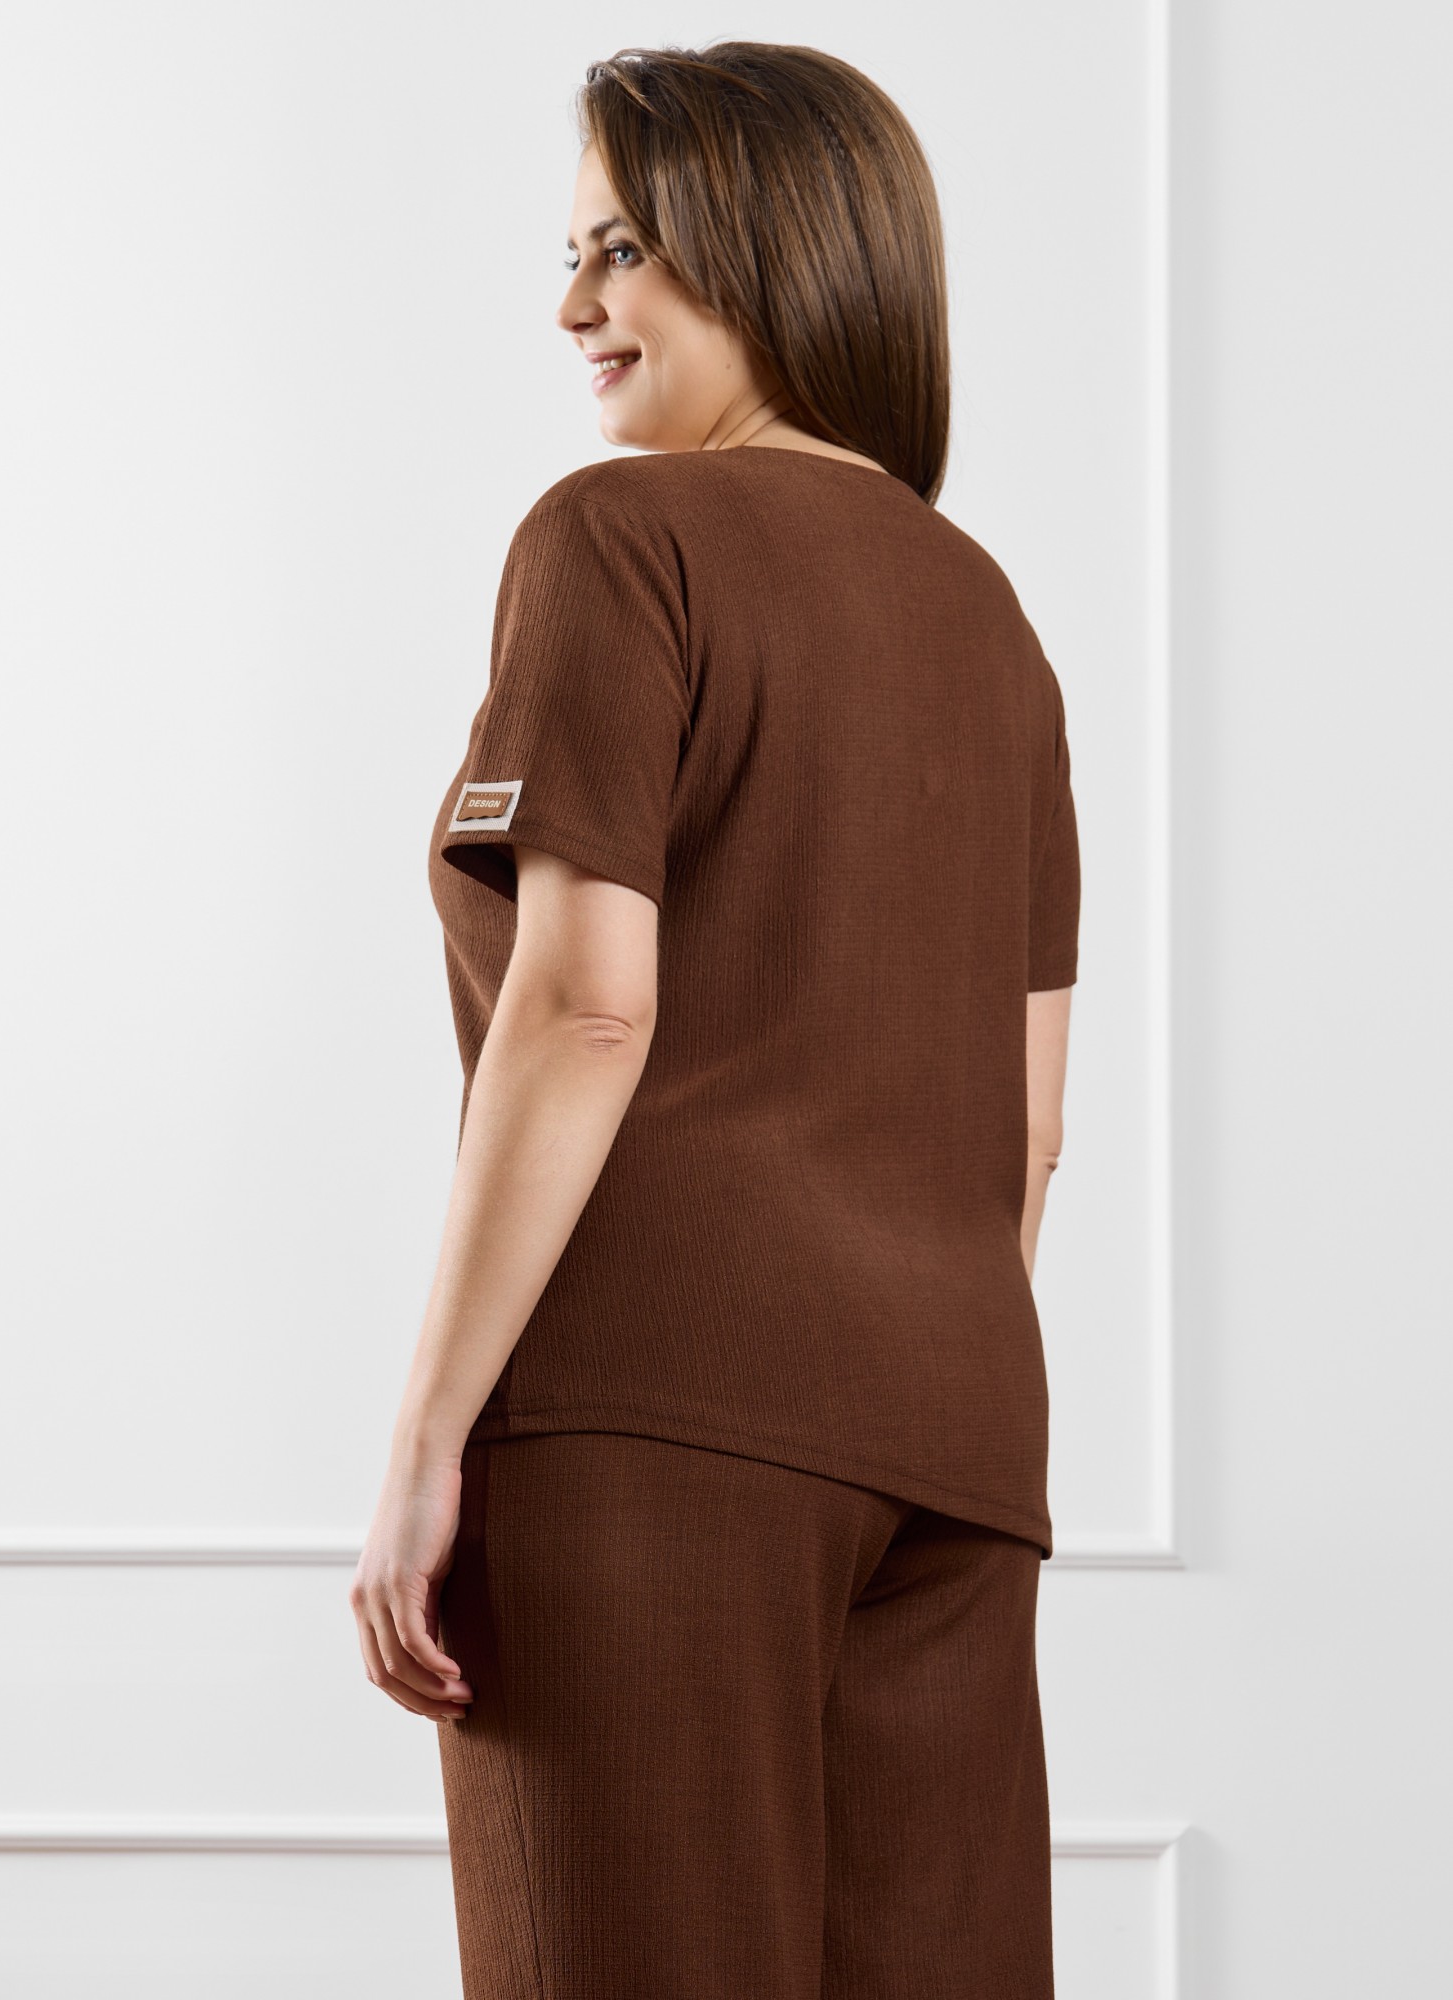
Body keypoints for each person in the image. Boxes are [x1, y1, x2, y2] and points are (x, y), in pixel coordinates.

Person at [349, 39, 1080, 2000]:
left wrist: (429, 1437)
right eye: (571, 254)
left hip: (650, 1420)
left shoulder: (618, 539)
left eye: (622, 249)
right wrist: (895, 1364)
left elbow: (588, 1008)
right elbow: (1030, 1127)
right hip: (957, 1434)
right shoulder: (994, 625)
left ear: (764, 247)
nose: (573, 307)